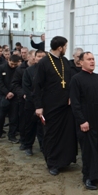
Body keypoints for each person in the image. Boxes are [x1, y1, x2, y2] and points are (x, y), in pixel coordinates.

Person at [33, 36, 77, 175]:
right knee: (52, 134)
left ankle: (64, 161)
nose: (66, 49)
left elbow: (69, 81)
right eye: (65, 46)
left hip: (65, 104)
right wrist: (38, 106)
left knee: (66, 134)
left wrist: (71, 96)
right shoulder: (44, 62)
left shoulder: (64, 61)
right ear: (60, 47)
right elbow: (37, 86)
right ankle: (52, 163)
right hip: (50, 105)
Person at [70, 52, 98, 190]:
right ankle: (88, 177)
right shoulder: (76, 79)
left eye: (93, 59)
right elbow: (75, 103)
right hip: (85, 118)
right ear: (81, 62)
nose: (92, 61)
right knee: (89, 149)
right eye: (88, 59)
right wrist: (82, 121)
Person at [22, 49, 46, 156]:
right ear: (34, 58)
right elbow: (27, 88)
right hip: (31, 104)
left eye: (43, 56)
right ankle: (28, 146)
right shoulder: (29, 71)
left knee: (43, 127)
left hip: (45, 104)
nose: (41, 58)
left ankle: (43, 146)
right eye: (39, 56)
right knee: (30, 126)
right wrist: (36, 102)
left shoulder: (48, 71)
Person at [0, 55, 21, 143]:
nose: (13, 66)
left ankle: (12, 135)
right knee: (0, 116)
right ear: (8, 60)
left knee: (13, 117)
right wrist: (7, 92)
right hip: (2, 95)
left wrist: (13, 92)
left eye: (15, 64)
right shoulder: (1, 68)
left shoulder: (19, 69)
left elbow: (18, 82)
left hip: (14, 95)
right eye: (12, 64)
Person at [11, 50, 34, 150]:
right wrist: (23, 93)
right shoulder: (20, 69)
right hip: (24, 100)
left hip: (37, 100)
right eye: (34, 58)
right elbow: (15, 84)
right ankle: (24, 142)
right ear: (28, 57)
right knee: (24, 123)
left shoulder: (41, 69)